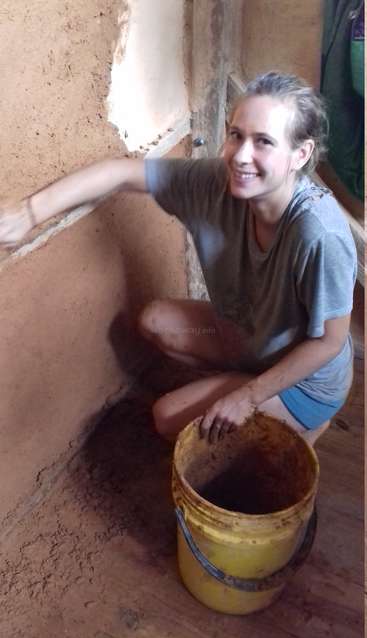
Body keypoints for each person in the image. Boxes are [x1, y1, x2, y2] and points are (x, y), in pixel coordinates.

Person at [0, 71, 357, 446]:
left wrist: (246, 396)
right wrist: (29, 213)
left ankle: (301, 422)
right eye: (236, 135)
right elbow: (121, 173)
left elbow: (328, 343)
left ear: (300, 154)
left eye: (264, 142)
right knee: (157, 321)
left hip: (307, 382)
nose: (241, 156)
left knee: (167, 417)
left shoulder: (319, 233)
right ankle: (244, 389)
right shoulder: (216, 183)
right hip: (252, 343)